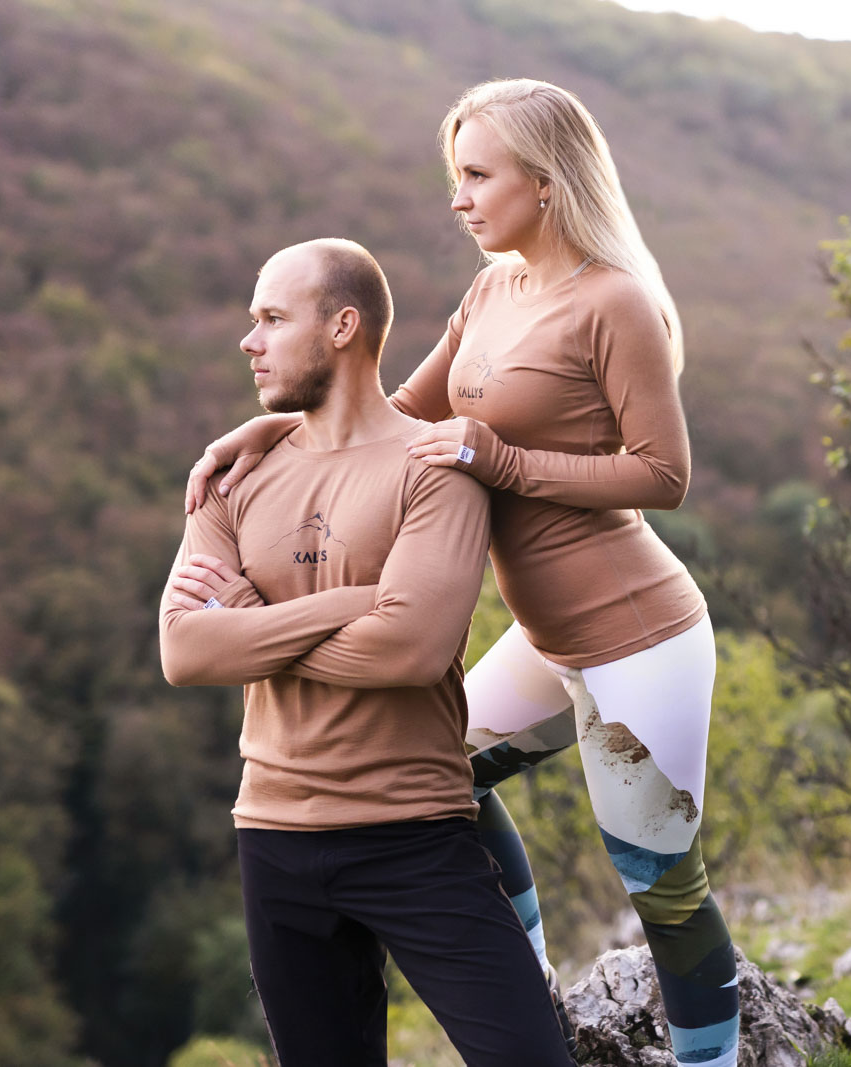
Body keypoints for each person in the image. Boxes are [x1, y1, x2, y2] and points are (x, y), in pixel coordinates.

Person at [187, 81, 740, 1067]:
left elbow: (664, 474)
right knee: (456, 770)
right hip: (543, 635)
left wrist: (506, 462)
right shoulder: (491, 292)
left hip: (637, 636)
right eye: (456, 177)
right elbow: (393, 410)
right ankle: (516, 983)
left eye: (476, 175)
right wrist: (267, 426)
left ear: (544, 179)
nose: (460, 198)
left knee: (658, 877)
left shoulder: (614, 301)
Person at [160, 237, 576, 1067]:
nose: (249, 341)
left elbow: (412, 649)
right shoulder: (233, 475)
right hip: (272, 835)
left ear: (343, 325)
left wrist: (256, 618)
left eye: (272, 319)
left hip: (413, 832)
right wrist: (353, 604)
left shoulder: (435, 464)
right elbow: (184, 650)